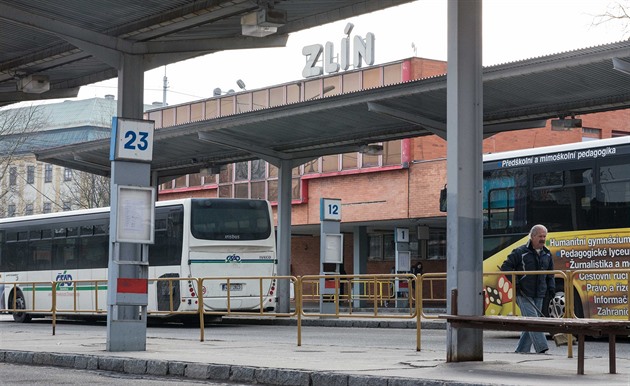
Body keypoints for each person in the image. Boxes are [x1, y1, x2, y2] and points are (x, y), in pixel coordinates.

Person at [500, 224, 555, 354]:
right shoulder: (520, 252)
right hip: (523, 293)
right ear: (533, 236)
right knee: (533, 321)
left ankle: (521, 351)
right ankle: (542, 348)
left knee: (528, 323)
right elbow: (505, 267)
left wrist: (551, 288)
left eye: (544, 236)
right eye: (540, 236)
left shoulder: (547, 254)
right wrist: (515, 282)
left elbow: (550, 273)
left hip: (539, 293)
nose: (543, 239)